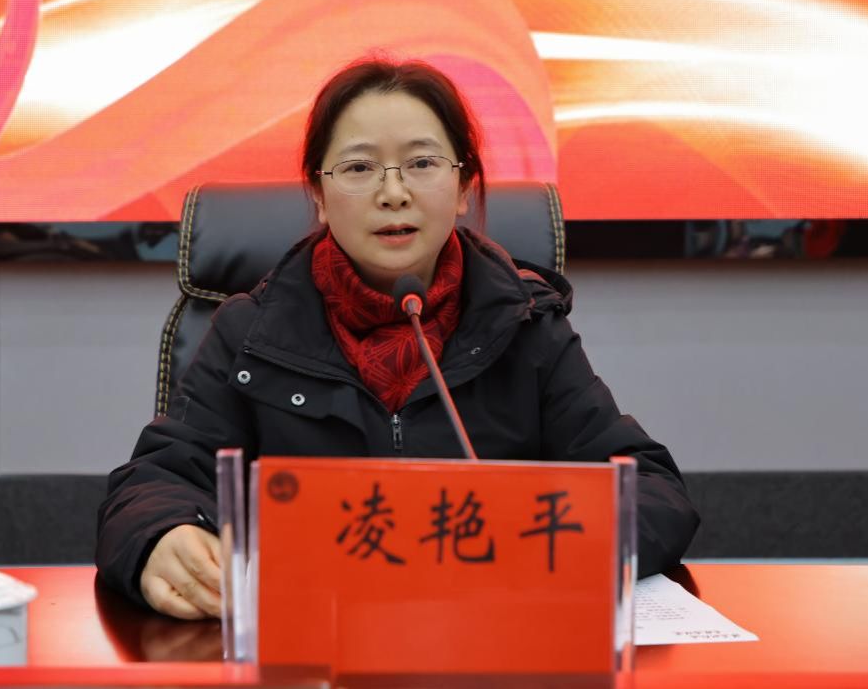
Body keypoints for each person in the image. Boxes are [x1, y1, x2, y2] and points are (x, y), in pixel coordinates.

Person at [96, 58, 699, 619]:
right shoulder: (250, 332)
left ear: (465, 187)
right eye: (359, 168)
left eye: (422, 163)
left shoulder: (525, 325)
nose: (393, 193)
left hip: (487, 648)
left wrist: (543, 551)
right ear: (318, 194)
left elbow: (648, 489)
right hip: (311, 653)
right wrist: (161, 536)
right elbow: (154, 484)